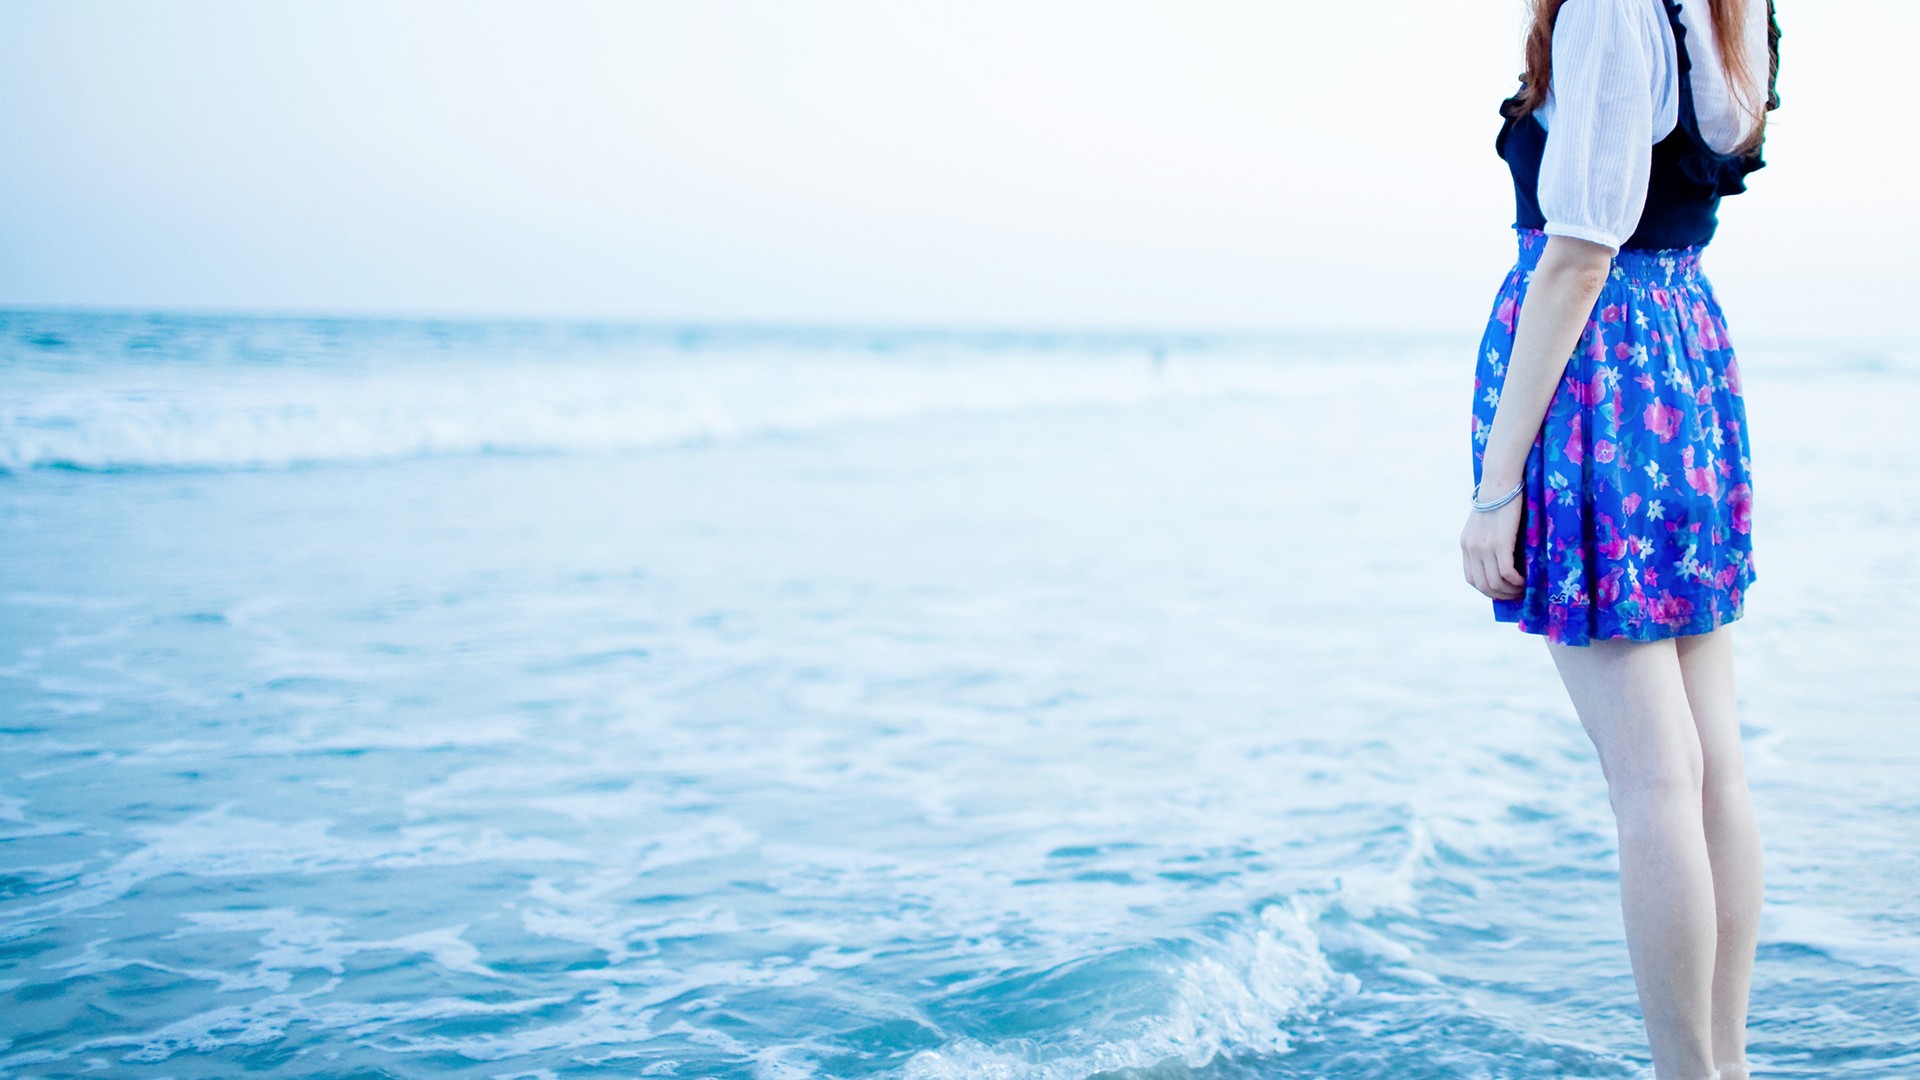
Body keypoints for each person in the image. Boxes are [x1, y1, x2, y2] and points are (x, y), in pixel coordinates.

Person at [1459, 1, 1781, 1077]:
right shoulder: (1730, 6)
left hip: (1602, 382)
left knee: (1653, 777)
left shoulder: (1610, 7)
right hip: (1682, 357)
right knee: (1708, 766)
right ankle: (1723, 1064)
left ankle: (1691, 1073)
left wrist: (1496, 484)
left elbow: (1578, 257)